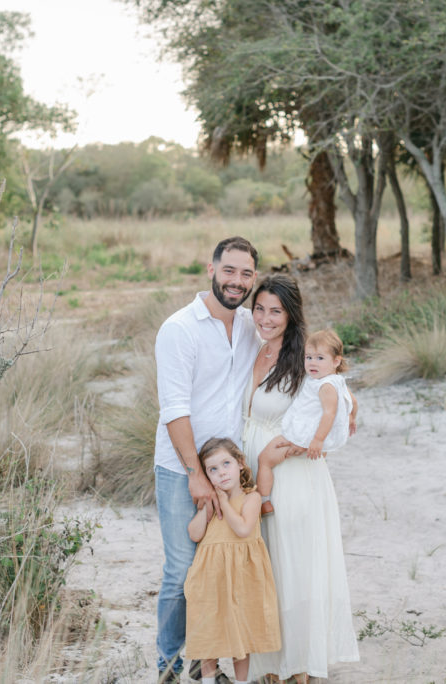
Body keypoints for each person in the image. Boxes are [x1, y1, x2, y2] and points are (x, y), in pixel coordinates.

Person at [240, 274, 360, 683]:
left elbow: (336, 392)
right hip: (250, 471)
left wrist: (348, 412)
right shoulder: (248, 348)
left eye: (276, 311)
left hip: (291, 472)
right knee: (265, 569)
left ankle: (300, 669)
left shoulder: (305, 359)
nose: (266, 318)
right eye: (260, 309)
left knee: (294, 570)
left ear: (291, 315)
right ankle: (270, 667)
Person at [154, 237, 261, 683]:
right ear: (212, 269)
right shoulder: (180, 328)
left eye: (246, 274)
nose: (237, 281)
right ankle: (169, 664)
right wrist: (196, 475)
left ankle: (207, 657)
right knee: (182, 570)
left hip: (230, 473)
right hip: (184, 469)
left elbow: (290, 358)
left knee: (221, 569)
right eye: (230, 270)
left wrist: (339, 398)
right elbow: (174, 409)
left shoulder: (252, 326)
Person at [183, 438, 281, 684]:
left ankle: (241, 681)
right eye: (212, 470)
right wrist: (206, 508)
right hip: (211, 574)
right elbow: (195, 534)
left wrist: (225, 503)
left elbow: (243, 529)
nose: (221, 473)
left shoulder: (252, 498)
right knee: (209, 629)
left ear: (240, 464)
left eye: (226, 464)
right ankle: (207, 680)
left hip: (242, 574)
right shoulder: (210, 501)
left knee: (241, 630)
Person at [255, 329, 352, 516]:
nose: (312, 363)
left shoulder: (326, 386)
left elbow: (329, 413)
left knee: (264, 459)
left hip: (304, 436)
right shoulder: (332, 380)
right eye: (309, 357)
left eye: (320, 358)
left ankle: (264, 501)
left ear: (336, 361)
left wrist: (317, 440)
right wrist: (352, 417)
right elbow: (351, 400)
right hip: (304, 432)